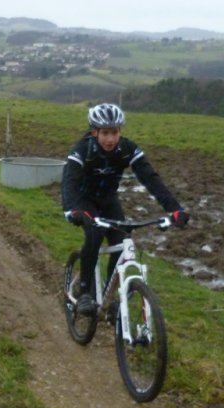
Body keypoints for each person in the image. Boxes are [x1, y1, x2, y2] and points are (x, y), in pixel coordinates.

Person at [61, 103, 189, 316]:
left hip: (108, 199)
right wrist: (72, 211)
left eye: (115, 133)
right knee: (94, 232)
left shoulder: (127, 149)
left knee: (121, 240)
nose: (110, 139)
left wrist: (175, 209)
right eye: (105, 133)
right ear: (95, 132)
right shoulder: (83, 150)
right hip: (84, 200)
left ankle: (109, 296)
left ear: (120, 131)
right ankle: (84, 293)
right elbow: (69, 182)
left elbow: (150, 179)